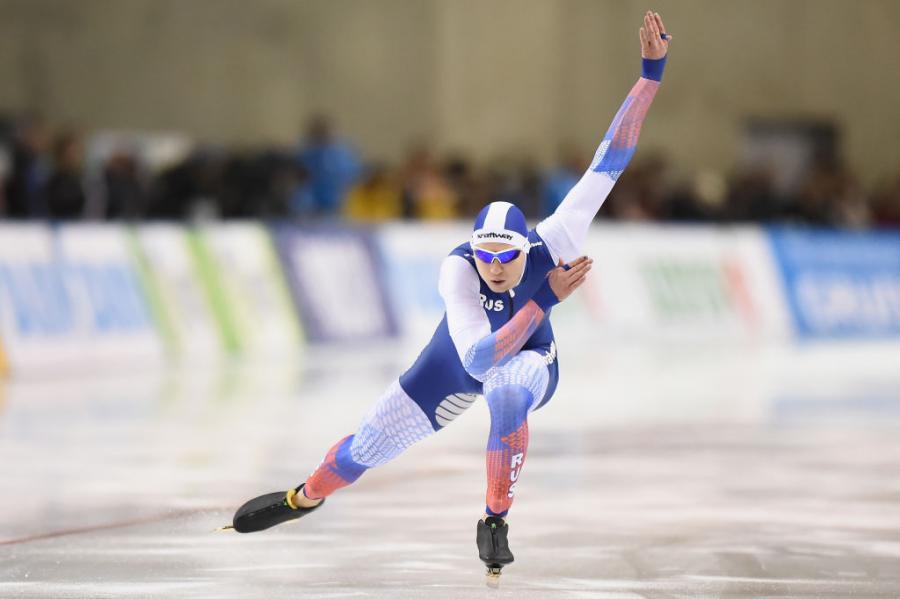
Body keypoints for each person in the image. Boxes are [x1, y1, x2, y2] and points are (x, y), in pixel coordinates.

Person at [231, 10, 671, 577]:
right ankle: (303, 497)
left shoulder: (556, 238)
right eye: (485, 256)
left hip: (531, 359)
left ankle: (494, 519)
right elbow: (477, 357)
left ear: (525, 245)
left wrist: (650, 74)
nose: (495, 267)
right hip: (458, 364)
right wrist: (545, 299)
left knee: (507, 399)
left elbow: (610, 158)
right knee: (364, 450)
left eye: (507, 257)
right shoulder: (456, 272)